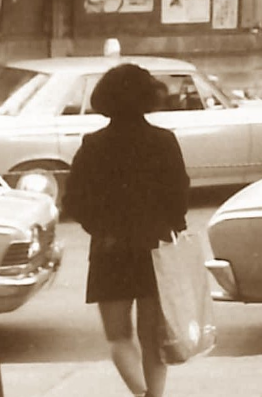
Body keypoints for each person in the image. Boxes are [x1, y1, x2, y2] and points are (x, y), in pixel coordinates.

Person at [63, 63, 190, 397]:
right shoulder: (164, 141)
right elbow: (179, 195)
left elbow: (75, 200)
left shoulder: (93, 144)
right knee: (153, 340)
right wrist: (172, 224)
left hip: (110, 249)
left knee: (119, 337)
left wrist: (99, 227)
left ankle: (141, 394)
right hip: (155, 248)